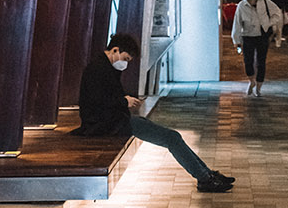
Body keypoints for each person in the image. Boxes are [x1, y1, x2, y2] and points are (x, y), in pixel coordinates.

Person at [74, 33, 235, 193]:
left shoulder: (104, 66)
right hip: (106, 125)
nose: (125, 64)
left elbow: (105, 96)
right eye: (126, 59)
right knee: (172, 138)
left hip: (113, 121)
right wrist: (124, 101)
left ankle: (207, 174)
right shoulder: (98, 69)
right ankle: (205, 178)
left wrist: (125, 99)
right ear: (115, 50)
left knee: (166, 134)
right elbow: (98, 100)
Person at [231, 0, 283, 94]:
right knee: (248, 61)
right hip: (247, 35)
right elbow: (237, 22)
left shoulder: (264, 1)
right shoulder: (241, 5)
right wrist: (236, 39)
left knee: (261, 62)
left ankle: (259, 87)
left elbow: (277, 13)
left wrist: (268, 23)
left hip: (262, 35)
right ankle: (251, 81)